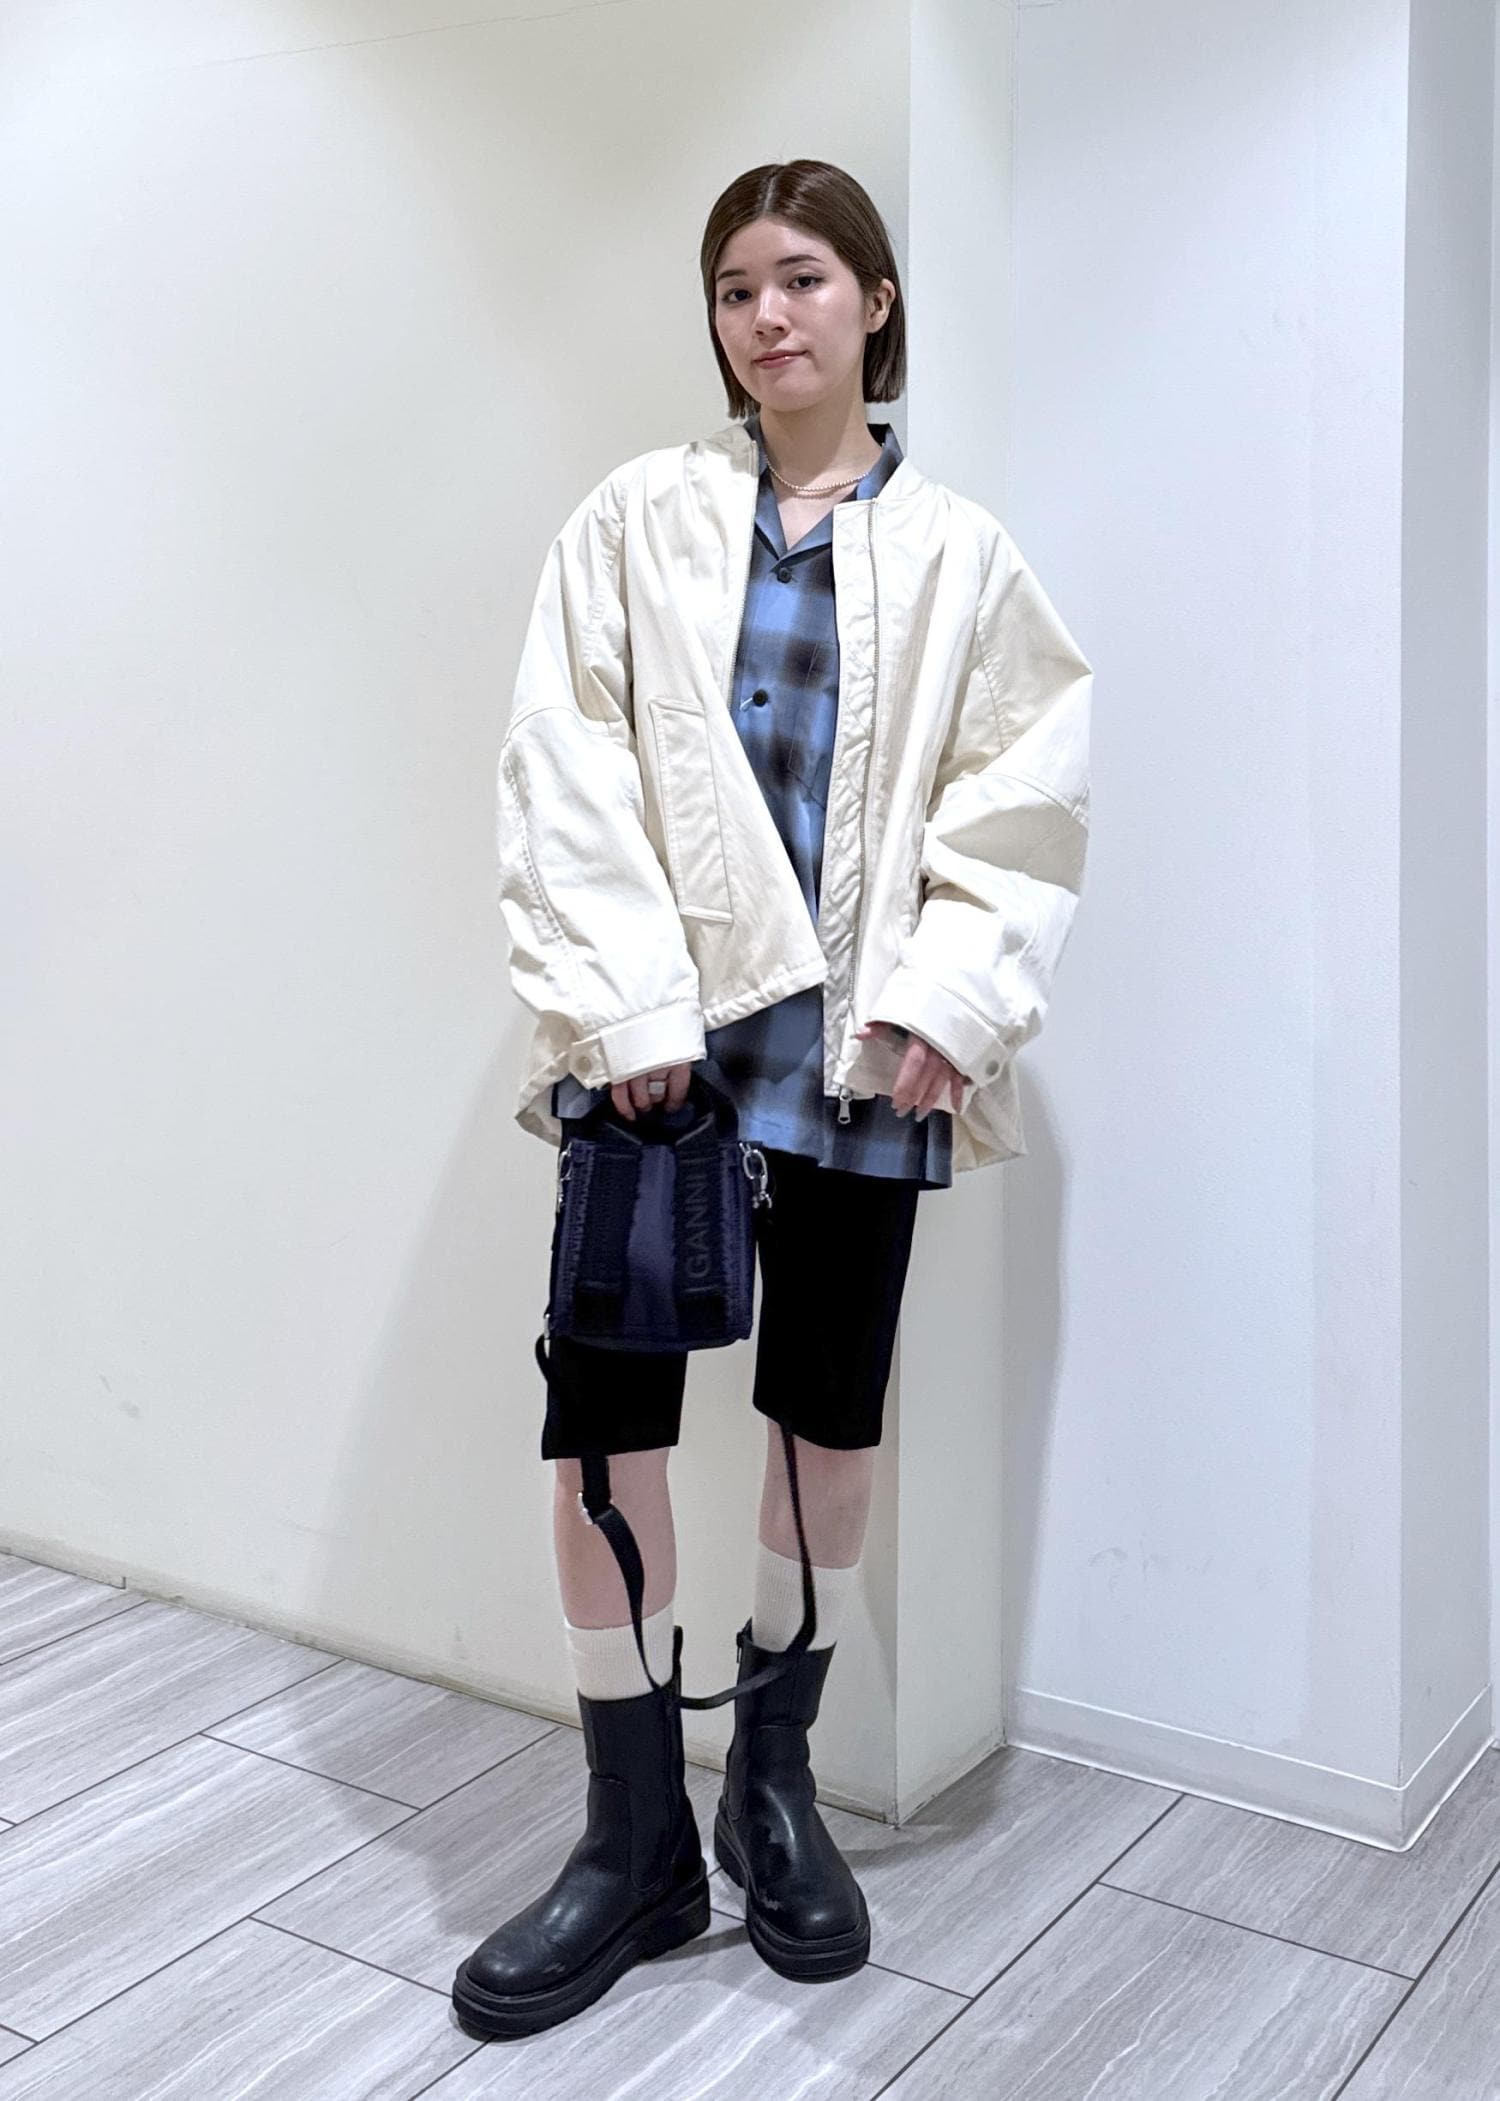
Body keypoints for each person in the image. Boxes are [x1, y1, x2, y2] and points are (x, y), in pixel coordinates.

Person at [453, 158, 1092, 2040]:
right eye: (736, 286)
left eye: (803, 277)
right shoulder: (635, 521)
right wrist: (627, 1004)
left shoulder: (962, 554)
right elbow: (562, 758)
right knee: (603, 1419)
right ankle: (633, 1833)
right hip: (655, 1049)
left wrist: (953, 1001)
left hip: (861, 1054)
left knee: (825, 1410)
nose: (767, 315)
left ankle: (772, 1785)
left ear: (875, 300)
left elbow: (1021, 795)